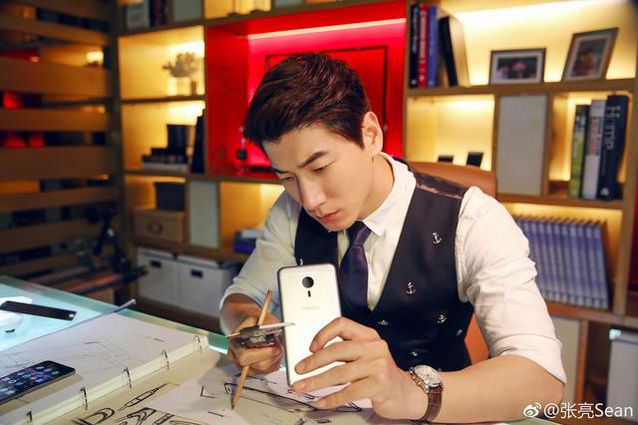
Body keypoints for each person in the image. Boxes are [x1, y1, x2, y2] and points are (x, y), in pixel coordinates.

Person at [220, 53, 565, 423]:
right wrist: (249, 327)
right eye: (287, 178)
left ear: (370, 134)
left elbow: (542, 379)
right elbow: (242, 297)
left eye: (319, 167)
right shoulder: (291, 211)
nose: (310, 199)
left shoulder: (472, 219)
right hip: (327, 409)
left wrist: (409, 392)